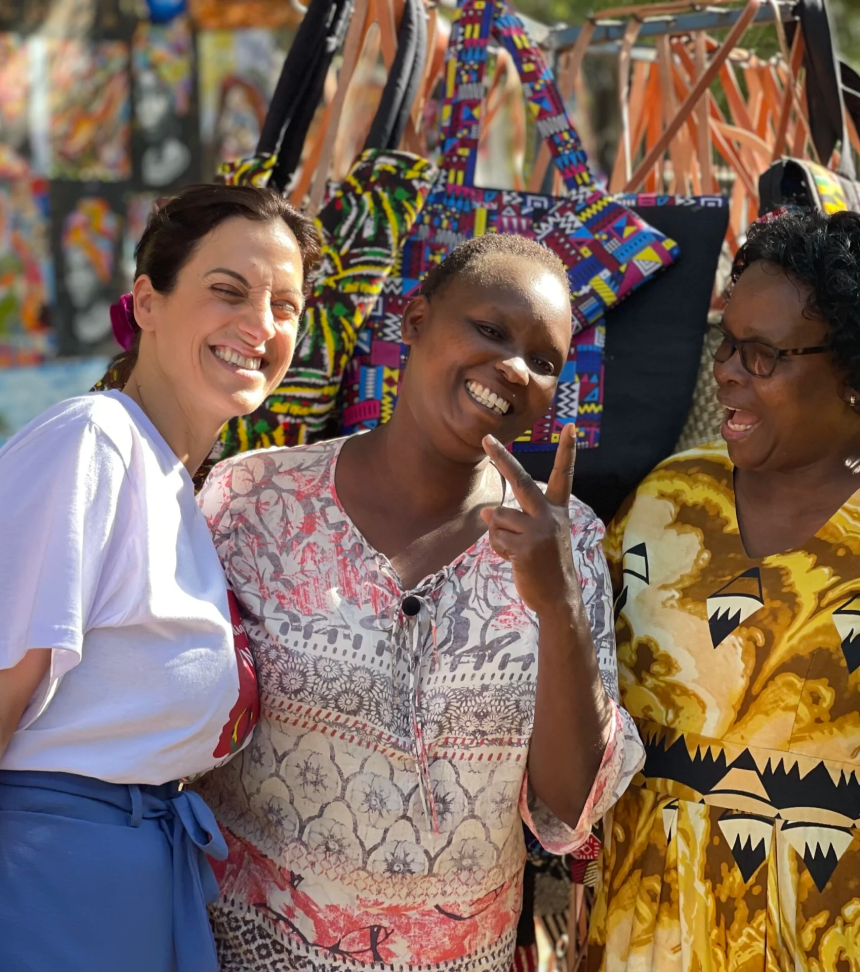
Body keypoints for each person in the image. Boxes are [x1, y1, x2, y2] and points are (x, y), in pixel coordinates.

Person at [192, 233, 644, 971]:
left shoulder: (568, 539)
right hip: (244, 947)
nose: (513, 368)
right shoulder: (253, 501)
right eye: (490, 330)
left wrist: (557, 604)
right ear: (416, 319)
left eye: (544, 361)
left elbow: (567, 809)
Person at [589, 208, 860, 971]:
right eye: (727, 344)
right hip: (641, 945)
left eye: (763, 356)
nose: (728, 370)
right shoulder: (664, 504)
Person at [0, 183, 319, 972]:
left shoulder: (181, 484)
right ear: (147, 301)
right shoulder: (93, 441)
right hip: (46, 883)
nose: (260, 325)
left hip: (130, 882)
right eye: (229, 291)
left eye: (285, 305)